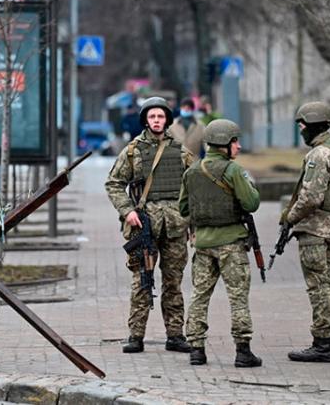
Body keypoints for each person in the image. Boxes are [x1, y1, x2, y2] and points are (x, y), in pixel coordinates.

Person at [105, 96, 194, 354]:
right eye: (152, 117)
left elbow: (195, 182)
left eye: (161, 116)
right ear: (146, 119)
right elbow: (113, 183)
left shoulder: (180, 150)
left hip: (175, 227)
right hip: (145, 226)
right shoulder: (132, 151)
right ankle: (136, 335)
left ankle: (175, 335)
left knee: (173, 283)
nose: (157, 121)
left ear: (167, 119)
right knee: (141, 282)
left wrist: (192, 219)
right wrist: (127, 211)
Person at [180, 119, 263, 368]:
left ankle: (196, 349)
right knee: (237, 297)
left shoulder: (192, 171)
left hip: (203, 244)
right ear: (224, 145)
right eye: (235, 141)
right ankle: (243, 351)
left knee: (199, 296)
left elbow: (183, 207)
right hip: (231, 245)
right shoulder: (234, 171)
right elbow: (252, 204)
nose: (238, 146)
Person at [280, 101, 330, 362]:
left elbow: (311, 197)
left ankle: (321, 343)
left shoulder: (319, 154)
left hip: (315, 229)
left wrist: (289, 219)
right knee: (326, 284)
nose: (300, 130)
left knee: (317, 288)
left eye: (302, 125)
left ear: (311, 125)